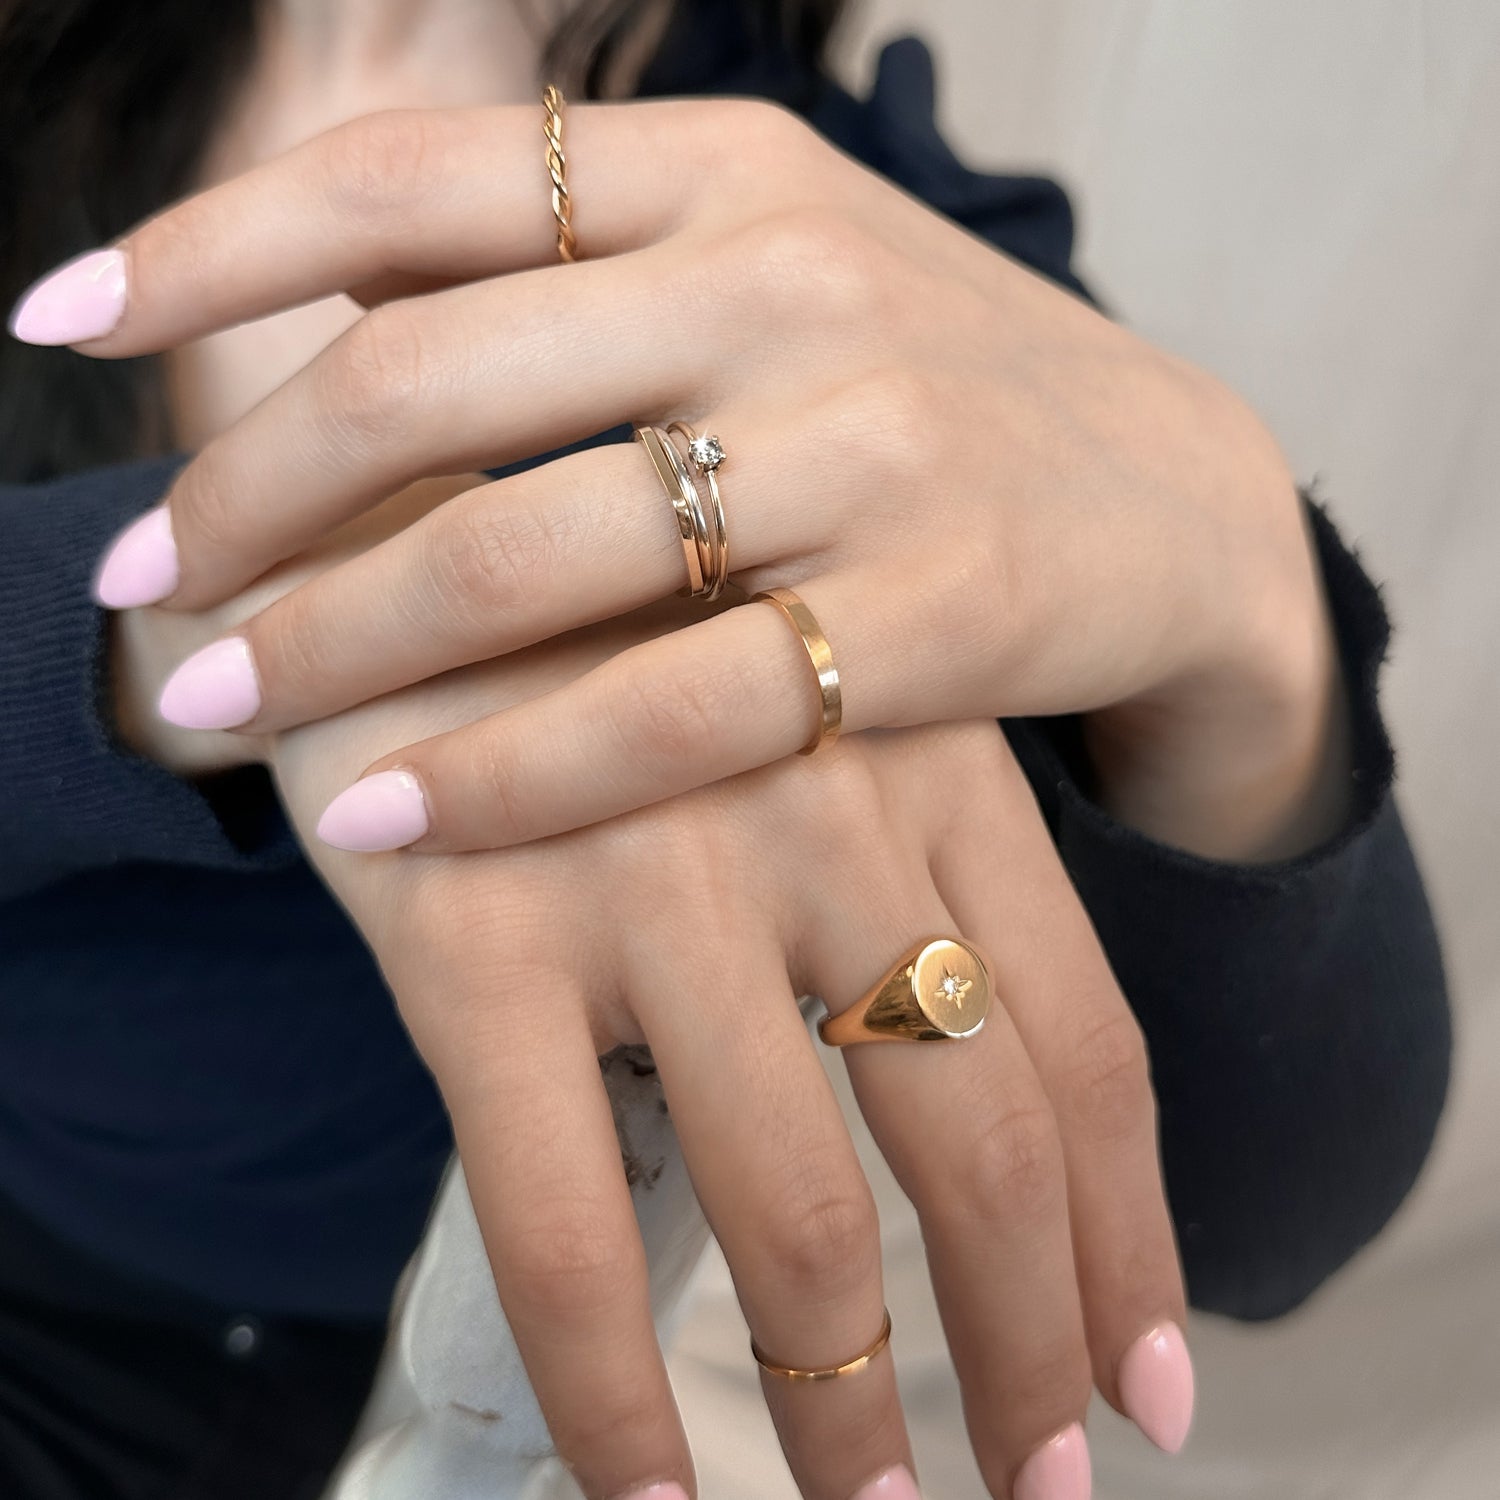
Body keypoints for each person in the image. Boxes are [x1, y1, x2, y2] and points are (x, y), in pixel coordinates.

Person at [0, 2, 1450, 1498]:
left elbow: (1260, 1216)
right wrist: (185, 625)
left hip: (402, 1398)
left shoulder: (863, 251)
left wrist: (1250, 592)